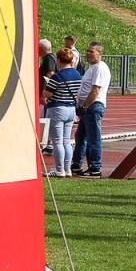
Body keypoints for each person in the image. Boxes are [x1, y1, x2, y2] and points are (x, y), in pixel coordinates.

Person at [71, 41, 111, 177]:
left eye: (91, 51)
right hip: (88, 106)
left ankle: (95, 167)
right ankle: (76, 164)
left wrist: (84, 106)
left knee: (93, 138)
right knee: (81, 137)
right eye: (87, 51)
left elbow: (95, 90)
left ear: (100, 54)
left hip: (93, 106)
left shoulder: (100, 68)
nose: (88, 54)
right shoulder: (92, 68)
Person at [42, 48, 81, 178]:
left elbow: (47, 94)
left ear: (59, 60)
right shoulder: (77, 74)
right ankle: (67, 169)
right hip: (71, 109)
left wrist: (46, 87)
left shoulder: (57, 76)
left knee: (57, 142)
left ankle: (59, 170)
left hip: (57, 108)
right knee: (66, 141)